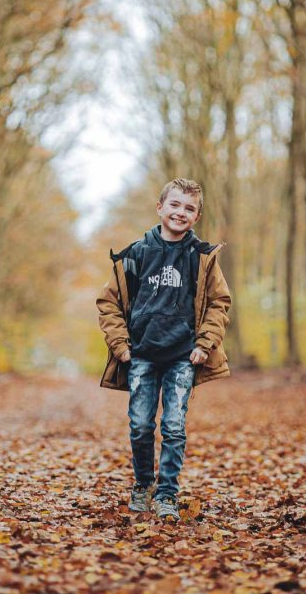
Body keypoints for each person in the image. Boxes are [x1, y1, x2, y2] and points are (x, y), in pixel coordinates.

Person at [96, 178, 232, 522]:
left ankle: (167, 493)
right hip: (140, 354)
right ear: (160, 208)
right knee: (141, 425)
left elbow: (219, 302)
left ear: (196, 216)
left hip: (183, 356)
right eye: (174, 205)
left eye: (189, 208)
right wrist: (121, 346)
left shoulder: (202, 258)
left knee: (173, 426)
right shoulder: (136, 254)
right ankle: (143, 485)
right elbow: (107, 303)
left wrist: (205, 343)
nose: (180, 213)